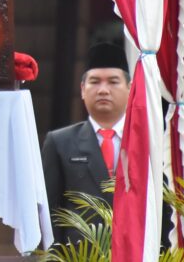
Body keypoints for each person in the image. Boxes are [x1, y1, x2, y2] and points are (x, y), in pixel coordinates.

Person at [41, 43, 130, 243]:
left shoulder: (148, 143)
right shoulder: (60, 142)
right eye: (95, 82)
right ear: (82, 89)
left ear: (130, 88)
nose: (103, 90)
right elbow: (49, 213)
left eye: (113, 82)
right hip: (79, 253)